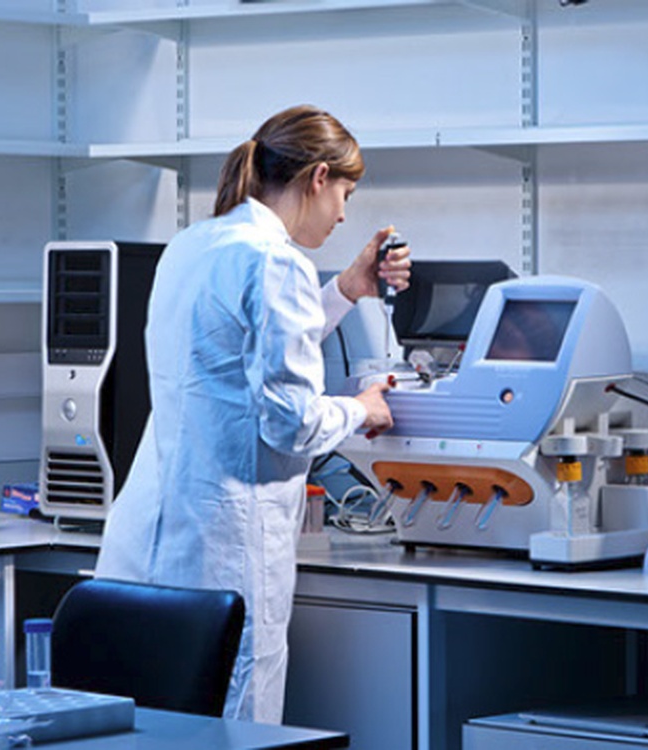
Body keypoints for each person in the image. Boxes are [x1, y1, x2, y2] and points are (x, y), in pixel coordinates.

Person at [94, 104, 411, 723]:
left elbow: (243, 352)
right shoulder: (276, 260)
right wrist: (360, 409)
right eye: (345, 192)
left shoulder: (194, 243)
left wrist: (346, 289)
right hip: (226, 549)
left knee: (149, 732)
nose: (345, 213)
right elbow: (289, 422)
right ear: (317, 178)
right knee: (235, 730)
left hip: (147, 547)